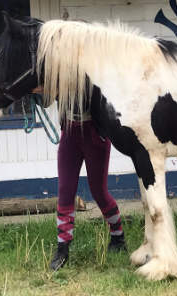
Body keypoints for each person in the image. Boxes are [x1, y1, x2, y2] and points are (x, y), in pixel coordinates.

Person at [48, 100, 127, 271]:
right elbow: (47, 99)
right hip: (70, 131)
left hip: (94, 131)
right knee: (65, 190)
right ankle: (62, 248)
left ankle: (117, 237)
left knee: (99, 192)